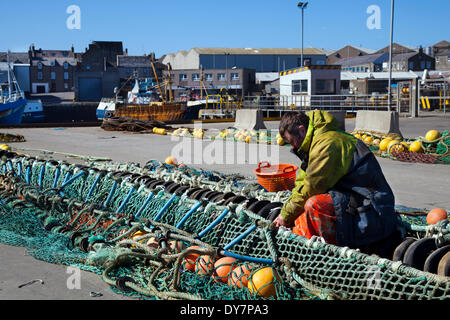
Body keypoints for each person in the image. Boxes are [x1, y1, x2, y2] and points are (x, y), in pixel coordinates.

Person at [273, 110, 404, 258]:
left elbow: (312, 188)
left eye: (292, 142)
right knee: (300, 209)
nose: (292, 147)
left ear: (302, 130)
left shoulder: (326, 145)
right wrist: (286, 212)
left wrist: (286, 216)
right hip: (349, 195)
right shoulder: (315, 143)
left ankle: (326, 256)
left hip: (371, 204)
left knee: (314, 205)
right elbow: (302, 183)